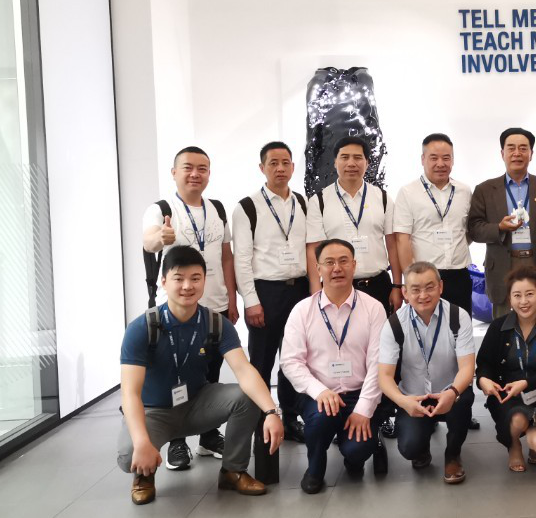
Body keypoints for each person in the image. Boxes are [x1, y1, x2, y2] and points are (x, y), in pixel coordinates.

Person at [117, 246, 283, 505]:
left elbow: (244, 370)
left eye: (195, 278)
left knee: (246, 397)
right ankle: (144, 476)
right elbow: (129, 393)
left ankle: (232, 471)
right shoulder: (142, 328)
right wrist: (141, 441)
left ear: (205, 281)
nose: (187, 286)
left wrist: (272, 412)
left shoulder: (216, 323)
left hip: (196, 403)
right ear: (164, 282)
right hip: (155, 412)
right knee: (129, 454)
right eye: (179, 278)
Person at [140, 146, 237, 468]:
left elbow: (226, 257)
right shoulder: (161, 209)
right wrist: (162, 237)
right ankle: (177, 441)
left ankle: (209, 435)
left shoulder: (217, 208)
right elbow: (148, 241)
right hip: (176, 312)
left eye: (202, 168)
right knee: (176, 374)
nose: (195, 174)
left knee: (210, 374)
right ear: (174, 172)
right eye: (187, 167)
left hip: (214, 307)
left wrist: (232, 299)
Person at [280, 238, 389, 494]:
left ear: (354, 265)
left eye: (343, 261)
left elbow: (379, 363)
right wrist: (319, 391)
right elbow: (290, 361)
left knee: (357, 449)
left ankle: (358, 454)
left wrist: (363, 409)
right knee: (321, 420)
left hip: (359, 393)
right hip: (320, 394)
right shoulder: (302, 310)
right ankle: (315, 469)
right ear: (318, 269)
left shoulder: (374, 308)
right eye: (329, 263)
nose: (337, 268)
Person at [232, 141, 312, 445]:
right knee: (262, 362)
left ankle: (290, 418)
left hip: (299, 290)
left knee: (295, 358)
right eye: (273, 163)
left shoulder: (302, 203)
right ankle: (261, 421)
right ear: (262, 167)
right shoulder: (247, 207)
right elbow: (241, 259)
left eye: (285, 163)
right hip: (265, 292)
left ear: (293, 166)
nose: (280, 168)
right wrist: (251, 301)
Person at [377, 262, 476, 485]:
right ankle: (422, 446)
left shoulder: (458, 316)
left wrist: (452, 392)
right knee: (409, 448)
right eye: (416, 289)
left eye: (430, 287)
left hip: (450, 390)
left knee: (463, 399)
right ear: (405, 292)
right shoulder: (394, 324)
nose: (423, 295)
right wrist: (403, 401)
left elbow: (467, 368)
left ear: (441, 287)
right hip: (415, 397)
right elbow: (384, 376)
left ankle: (453, 454)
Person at [475, 265, 536, 472]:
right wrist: (483, 380)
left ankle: (535, 439)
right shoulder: (498, 328)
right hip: (507, 396)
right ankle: (514, 445)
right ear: (510, 299)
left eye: (529, 294)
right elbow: (484, 364)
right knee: (517, 419)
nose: (524, 301)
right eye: (517, 295)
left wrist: (527, 383)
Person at [468, 127, 536, 317]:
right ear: (502, 153)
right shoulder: (485, 189)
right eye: (511, 148)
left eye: (523, 148)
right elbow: (474, 229)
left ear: (531, 154)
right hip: (503, 264)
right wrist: (499, 228)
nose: (517, 153)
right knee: (504, 325)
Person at [305, 136, 402, 313]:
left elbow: (393, 245)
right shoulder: (319, 201)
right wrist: (316, 291)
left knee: (380, 331)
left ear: (367, 162)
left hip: (377, 286)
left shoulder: (382, 198)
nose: (351, 163)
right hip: (336, 287)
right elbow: (313, 249)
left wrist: (397, 285)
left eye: (358, 158)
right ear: (335, 162)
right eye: (345, 157)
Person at [392, 133, 474, 313]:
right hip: (424, 279)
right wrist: (410, 280)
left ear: (453, 160)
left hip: (459, 275)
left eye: (446, 158)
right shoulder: (408, 193)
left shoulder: (464, 191)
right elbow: (402, 240)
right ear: (423, 159)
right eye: (434, 158)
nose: (440, 164)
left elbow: (467, 232)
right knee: (425, 328)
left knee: (460, 327)